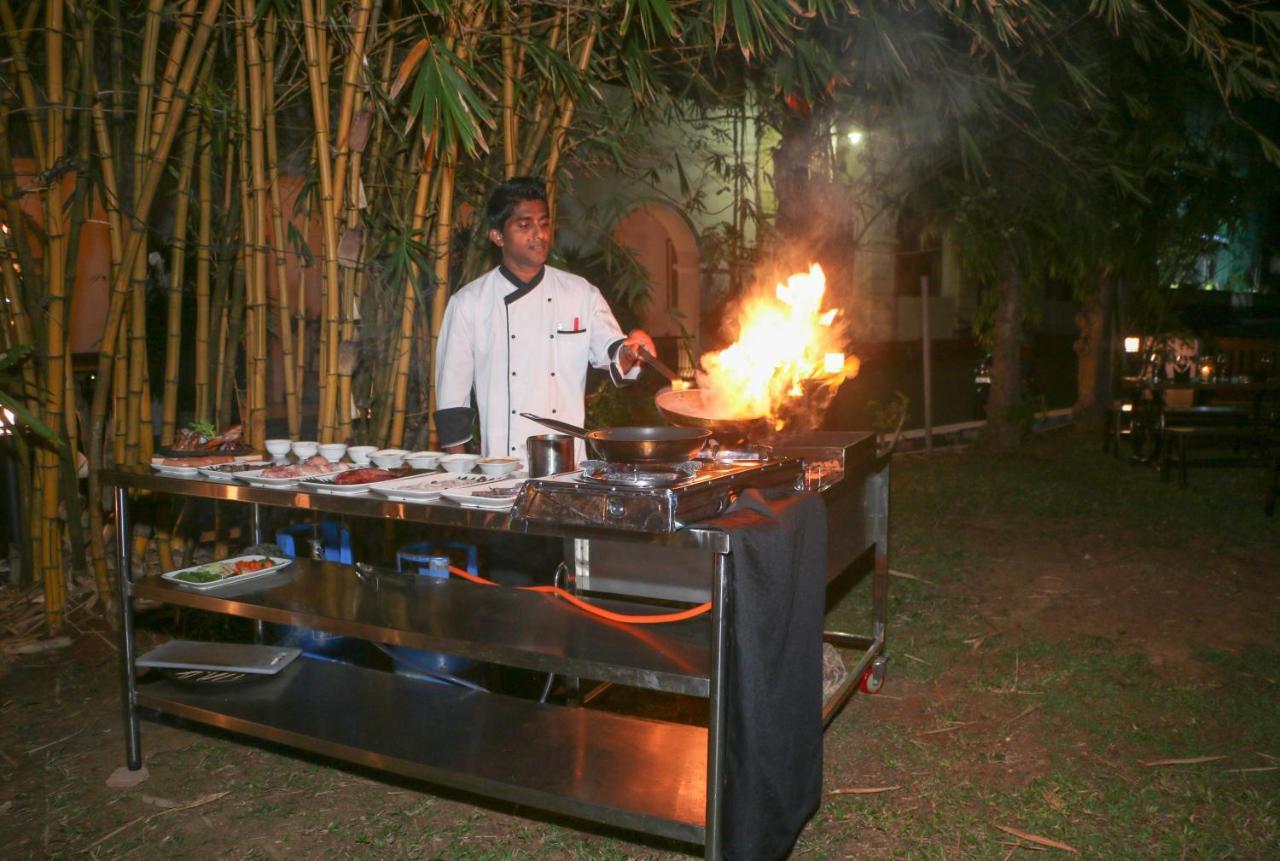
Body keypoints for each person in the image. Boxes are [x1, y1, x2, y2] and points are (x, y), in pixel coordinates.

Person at [433, 176, 656, 460]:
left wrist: (632, 350)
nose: (539, 234)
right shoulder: (470, 303)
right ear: (498, 236)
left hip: (570, 464)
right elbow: (452, 399)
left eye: (544, 223)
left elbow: (613, 353)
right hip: (504, 469)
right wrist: (460, 473)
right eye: (525, 225)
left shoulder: (580, 293)